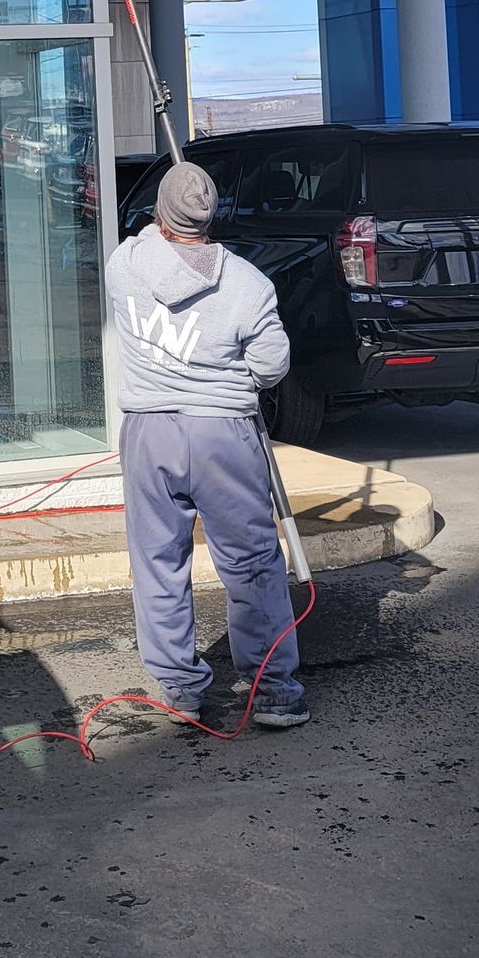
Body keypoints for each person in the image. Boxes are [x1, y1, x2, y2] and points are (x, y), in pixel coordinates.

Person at [104, 158, 309, 730]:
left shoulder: (125, 265)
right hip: (224, 434)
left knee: (158, 562)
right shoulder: (249, 283)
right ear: (212, 215)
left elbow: (146, 238)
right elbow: (272, 366)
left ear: (160, 213)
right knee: (250, 563)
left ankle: (179, 689)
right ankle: (273, 690)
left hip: (149, 435)